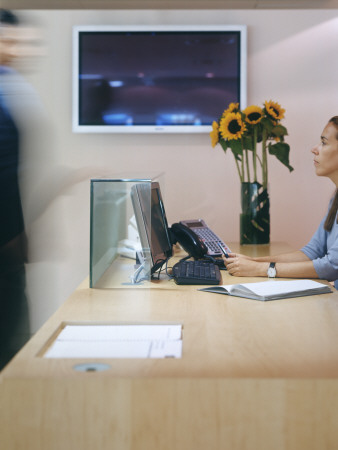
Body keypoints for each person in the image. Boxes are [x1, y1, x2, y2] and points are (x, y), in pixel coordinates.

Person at [223, 116, 338, 289]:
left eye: (323, 143)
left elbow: (331, 266)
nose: (314, 149)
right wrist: (253, 261)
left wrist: (264, 269)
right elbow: (312, 252)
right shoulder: (335, 199)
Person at [0, 9, 31, 370]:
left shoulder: (10, 87)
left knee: (13, 348)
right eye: (7, 41)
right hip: (4, 245)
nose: (16, 50)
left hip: (9, 246)